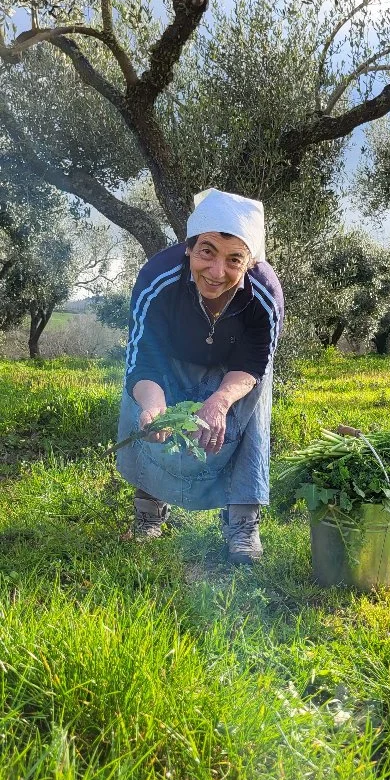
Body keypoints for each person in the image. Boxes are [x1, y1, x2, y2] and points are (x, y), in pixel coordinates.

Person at [116, 187, 284, 564]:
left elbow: (254, 363)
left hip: (234, 368)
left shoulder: (265, 293)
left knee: (254, 404)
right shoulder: (158, 278)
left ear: (249, 263)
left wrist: (220, 401)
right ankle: (149, 511)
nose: (217, 272)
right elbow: (143, 357)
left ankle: (243, 521)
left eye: (234, 259)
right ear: (189, 247)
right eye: (207, 252)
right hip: (168, 360)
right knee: (149, 414)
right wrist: (153, 405)